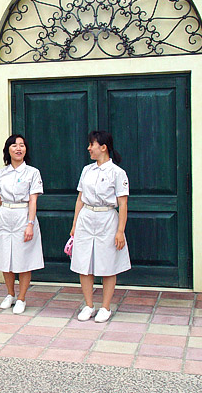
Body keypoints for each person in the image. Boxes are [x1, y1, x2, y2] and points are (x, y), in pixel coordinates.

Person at [70, 130, 130, 323]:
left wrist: (120, 231)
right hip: (86, 218)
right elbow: (80, 199)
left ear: (103, 147)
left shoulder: (117, 173)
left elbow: (123, 204)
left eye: (92, 145)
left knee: (107, 264)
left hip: (107, 219)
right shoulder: (87, 170)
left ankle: (105, 307)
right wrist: (74, 224)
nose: (89, 148)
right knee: (83, 263)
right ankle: (88, 305)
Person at [0, 134, 44, 315]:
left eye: (22, 145)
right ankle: (10, 294)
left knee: (24, 258)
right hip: (5, 215)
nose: (18, 148)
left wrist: (29, 223)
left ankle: (22, 297)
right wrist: (7, 211)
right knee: (5, 256)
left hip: (24, 215)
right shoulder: (1, 173)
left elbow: (33, 200)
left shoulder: (32, 172)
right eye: (14, 145)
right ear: (8, 150)